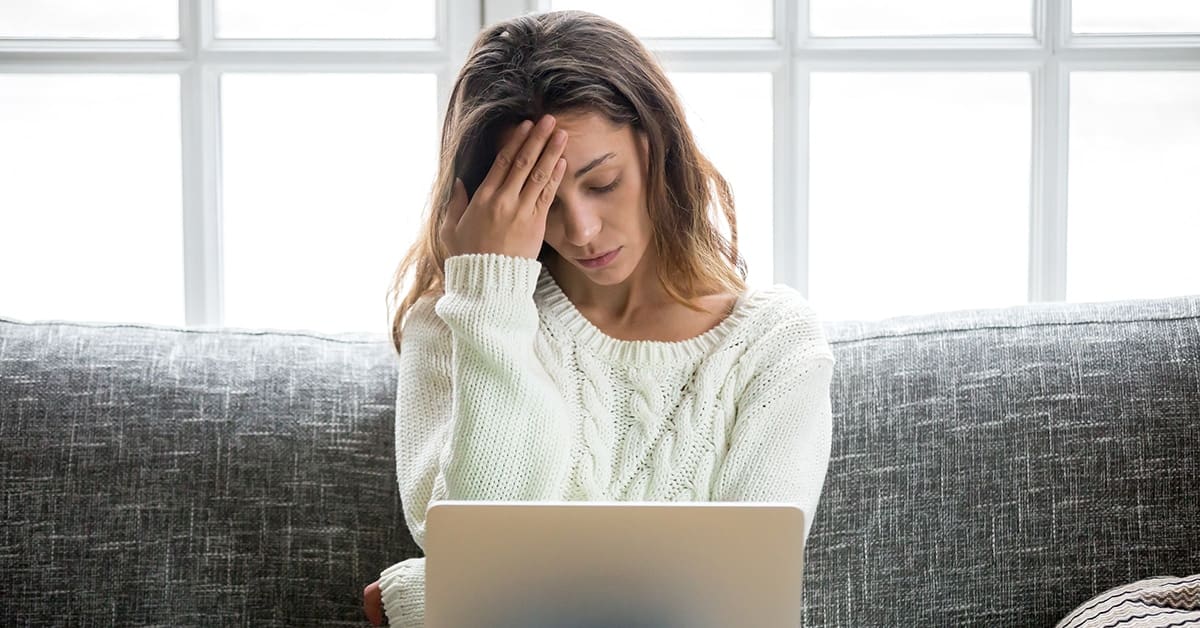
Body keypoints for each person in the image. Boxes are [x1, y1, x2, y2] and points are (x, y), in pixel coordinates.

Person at [364, 9, 835, 626]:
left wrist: (419, 597)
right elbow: (473, 546)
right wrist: (490, 298)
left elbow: (742, 601)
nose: (581, 231)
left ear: (655, 146)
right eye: (543, 202)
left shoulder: (775, 346)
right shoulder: (460, 317)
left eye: (602, 182)